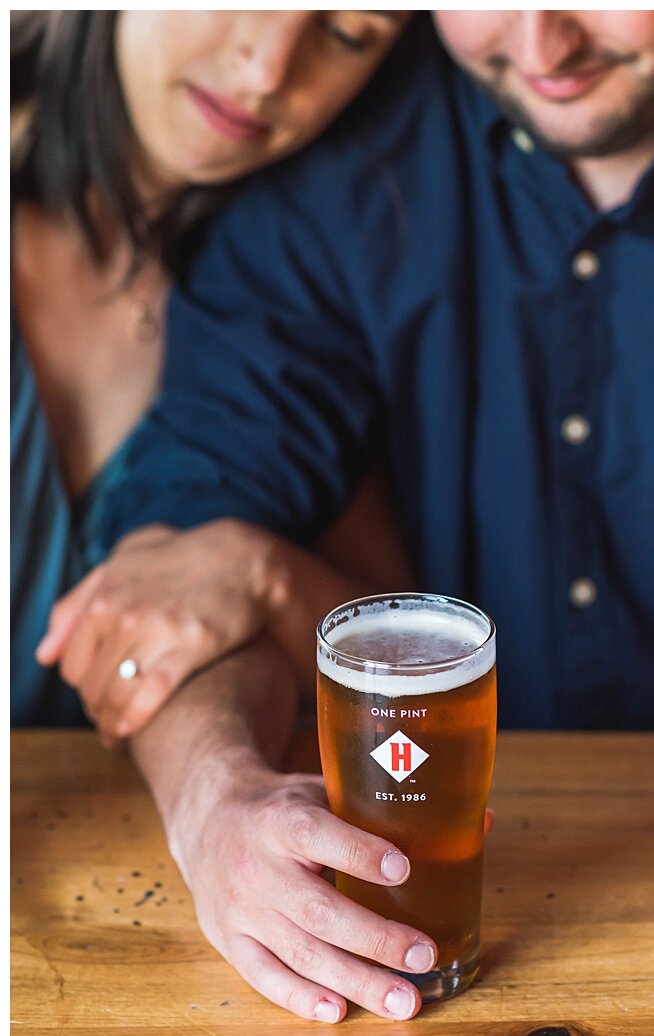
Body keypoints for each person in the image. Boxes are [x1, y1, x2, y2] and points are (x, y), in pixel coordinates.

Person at [38, 11, 654, 1024]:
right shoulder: (344, 161)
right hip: (474, 940)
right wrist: (213, 792)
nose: (544, 47)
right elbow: (186, 537)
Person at [12, 10, 415, 730]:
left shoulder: (281, 312)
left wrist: (267, 573)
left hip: (127, 836)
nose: (267, 72)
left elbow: (407, 661)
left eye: (349, 34)